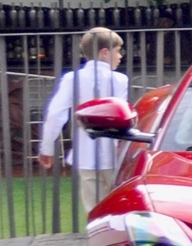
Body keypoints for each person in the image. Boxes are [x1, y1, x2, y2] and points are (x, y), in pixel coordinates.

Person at [37, 27, 132, 216]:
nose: (120, 56)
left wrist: (46, 148)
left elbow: (56, 113)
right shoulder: (120, 80)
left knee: (93, 208)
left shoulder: (72, 79)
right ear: (105, 53)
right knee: (119, 205)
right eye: (118, 51)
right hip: (114, 151)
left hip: (85, 151)